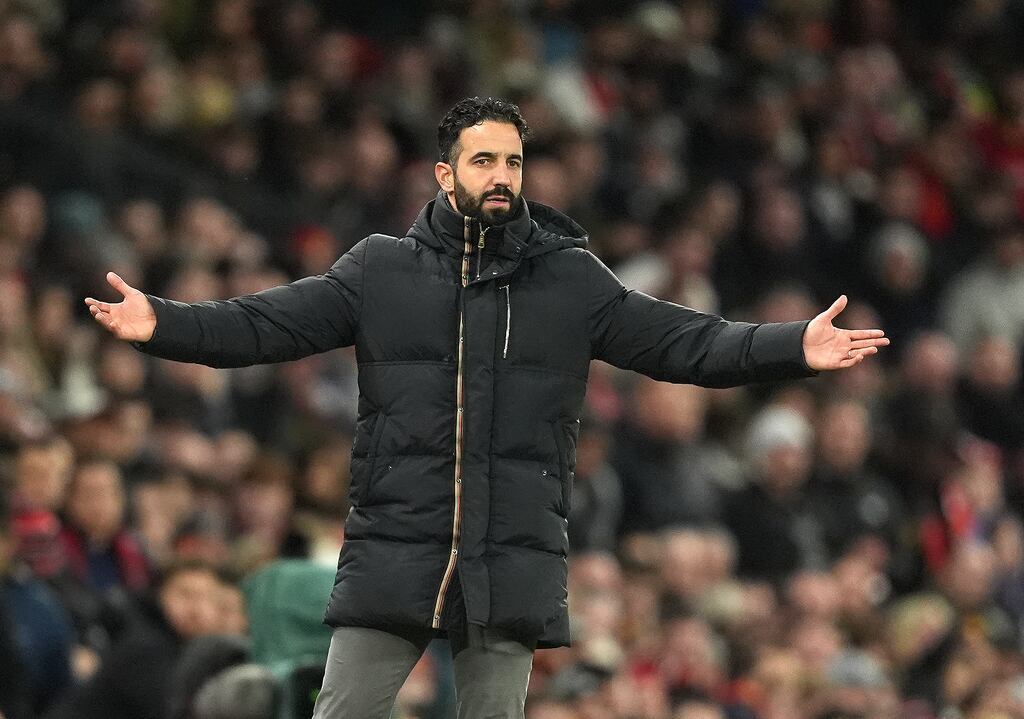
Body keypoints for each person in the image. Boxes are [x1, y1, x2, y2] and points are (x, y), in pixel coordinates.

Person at [85, 96, 889, 719]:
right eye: (483, 160)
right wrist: (162, 323)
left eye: (513, 159)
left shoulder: (572, 280)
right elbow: (262, 325)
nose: (502, 174)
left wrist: (793, 345)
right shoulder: (379, 270)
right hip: (396, 544)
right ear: (445, 173)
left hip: (511, 559)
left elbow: (690, 343)